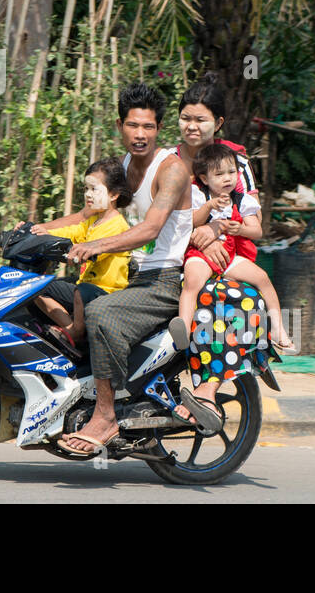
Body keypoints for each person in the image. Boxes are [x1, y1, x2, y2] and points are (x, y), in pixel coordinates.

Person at [60, 74, 274, 453]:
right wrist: (41, 228)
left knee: (109, 314)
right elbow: (115, 210)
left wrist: (217, 231)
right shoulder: (146, 161)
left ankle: (135, 408)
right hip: (177, 256)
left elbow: (167, 225)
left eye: (201, 120)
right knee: (70, 297)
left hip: (220, 255)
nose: (192, 127)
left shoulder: (223, 163)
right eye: (186, 118)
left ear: (218, 124)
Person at [178, 142, 295, 353]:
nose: (227, 178)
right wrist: (208, 207)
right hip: (202, 253)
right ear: (204, 178)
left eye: (232, 172)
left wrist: (240, 229)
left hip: (230, 255)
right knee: (192, 280)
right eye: (219, 174)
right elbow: (192, 222)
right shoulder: (198, 195)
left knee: (263, 279)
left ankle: (278, 329)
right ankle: (183, 330)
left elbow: (256, 231)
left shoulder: (242, 200)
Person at [28, 158, 134, 352]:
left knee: (80, 291)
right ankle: (69, 328)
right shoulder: (94, 220)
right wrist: (45, 233)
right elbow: (73, 232)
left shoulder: (117, 225)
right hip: (85, 287)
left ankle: (76, 334)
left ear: (114, 194)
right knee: (35, 286)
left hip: (106, 291)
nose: (88, 194)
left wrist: (74, 251)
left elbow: (92, 251)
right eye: (86, 189)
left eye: (94, 189)